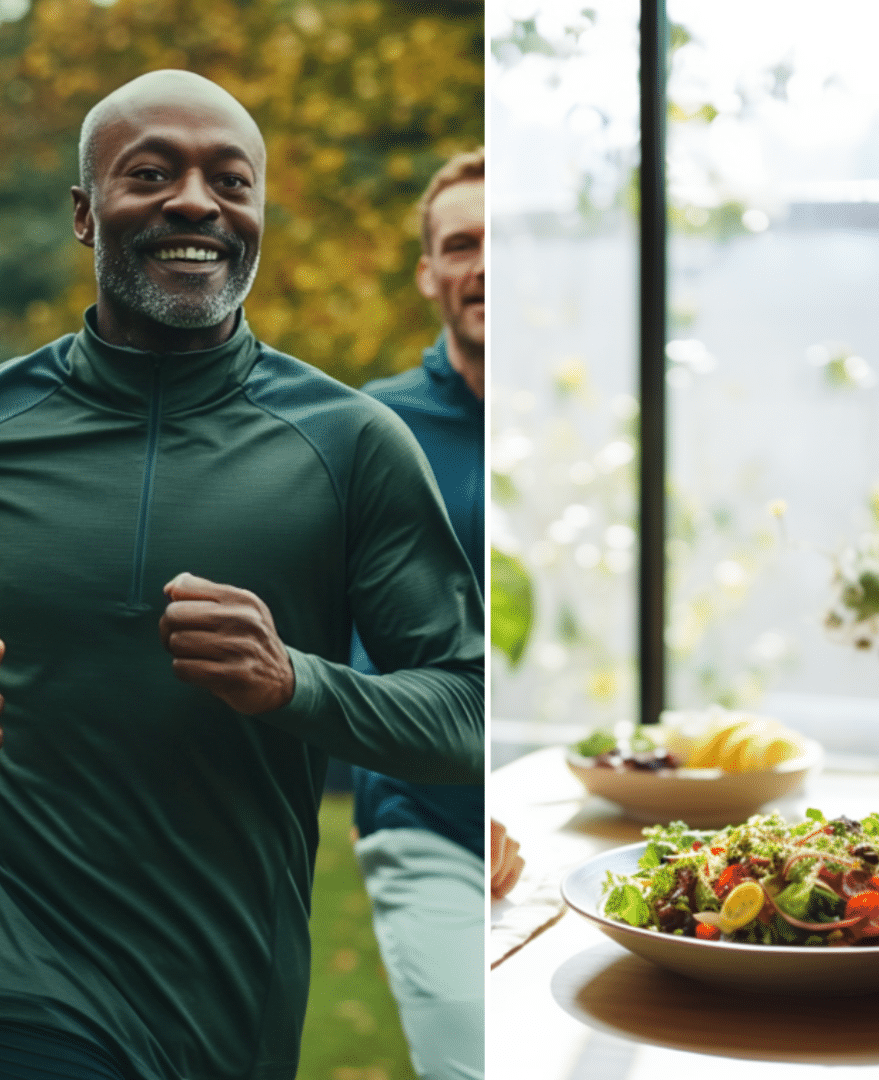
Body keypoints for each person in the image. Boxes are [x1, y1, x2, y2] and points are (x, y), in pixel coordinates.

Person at [0, 69, 483, 1080]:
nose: (197, 201)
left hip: (233, 1005)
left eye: (231, 182)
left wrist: (296, 683)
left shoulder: (355, 446)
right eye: (151, 173)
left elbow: (470, 710)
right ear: (83, 212)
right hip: (7, 984)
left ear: (258, 215)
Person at [345, 148, 493, 1080]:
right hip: (424, 820)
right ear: (430, 273)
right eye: (462, 243)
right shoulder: (372, 431)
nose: (485, 265)